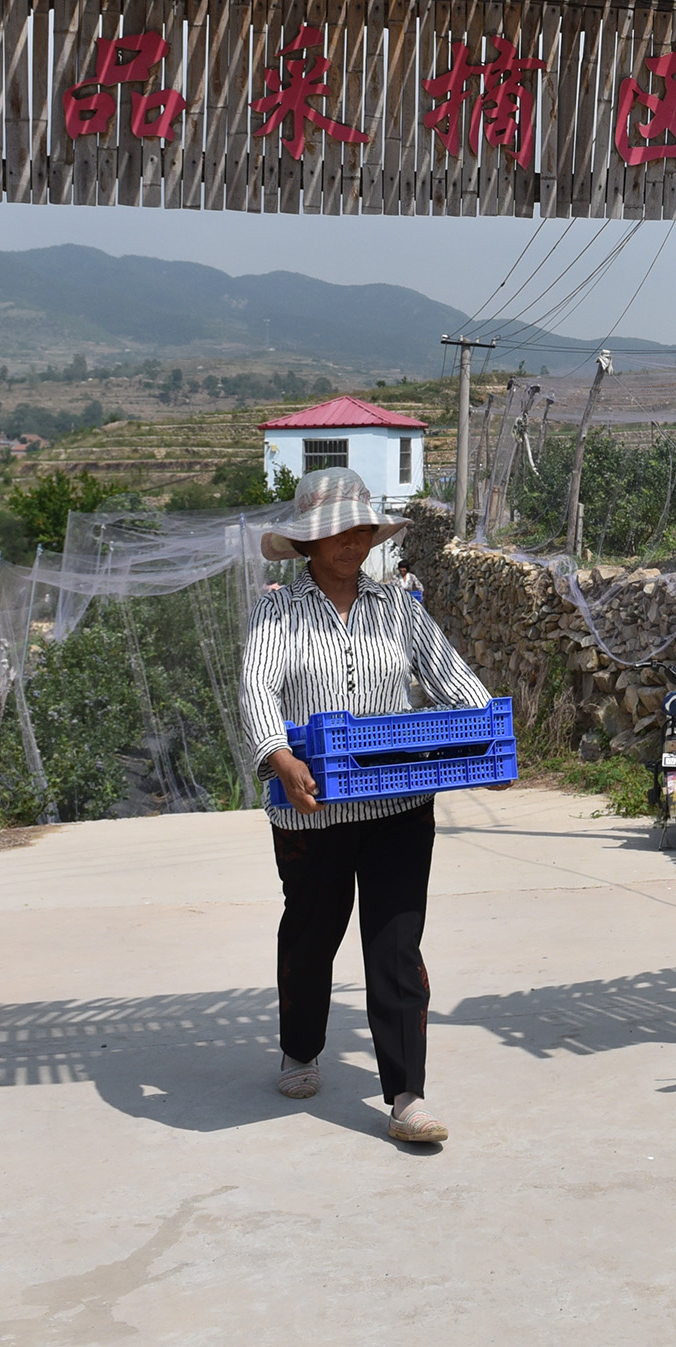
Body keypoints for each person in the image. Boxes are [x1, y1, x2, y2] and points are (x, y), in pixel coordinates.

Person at [240, 466, 491, 1145]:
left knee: (396, 944)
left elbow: (453, 679)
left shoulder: (400, 607)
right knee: (313, 932)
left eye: (359, 529)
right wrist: (279, 756)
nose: (351, 541)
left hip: (398, 807)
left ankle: (407, 1094)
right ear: (307, 542)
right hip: (311, 807)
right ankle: (300, 1047)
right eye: (334, 531)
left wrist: (487, 741)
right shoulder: (278, 611)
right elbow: (257, 689)